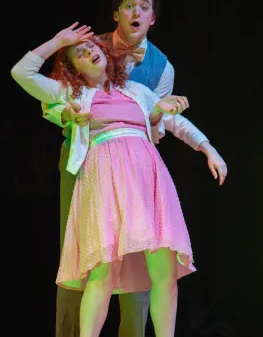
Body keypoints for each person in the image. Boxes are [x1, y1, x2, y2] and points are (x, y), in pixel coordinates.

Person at [11, 23, 227, 337]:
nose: (89, 52)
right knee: (103, 267)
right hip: (103, 178)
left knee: (163, 267)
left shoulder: (136, 91)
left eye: (91, 47)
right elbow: (22, 73)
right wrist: (59, 41)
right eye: (80, 54)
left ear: (104, 51)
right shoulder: (72, 93)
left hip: (146, 177)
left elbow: (174, 121)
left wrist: (208, 148)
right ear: (75, 68)